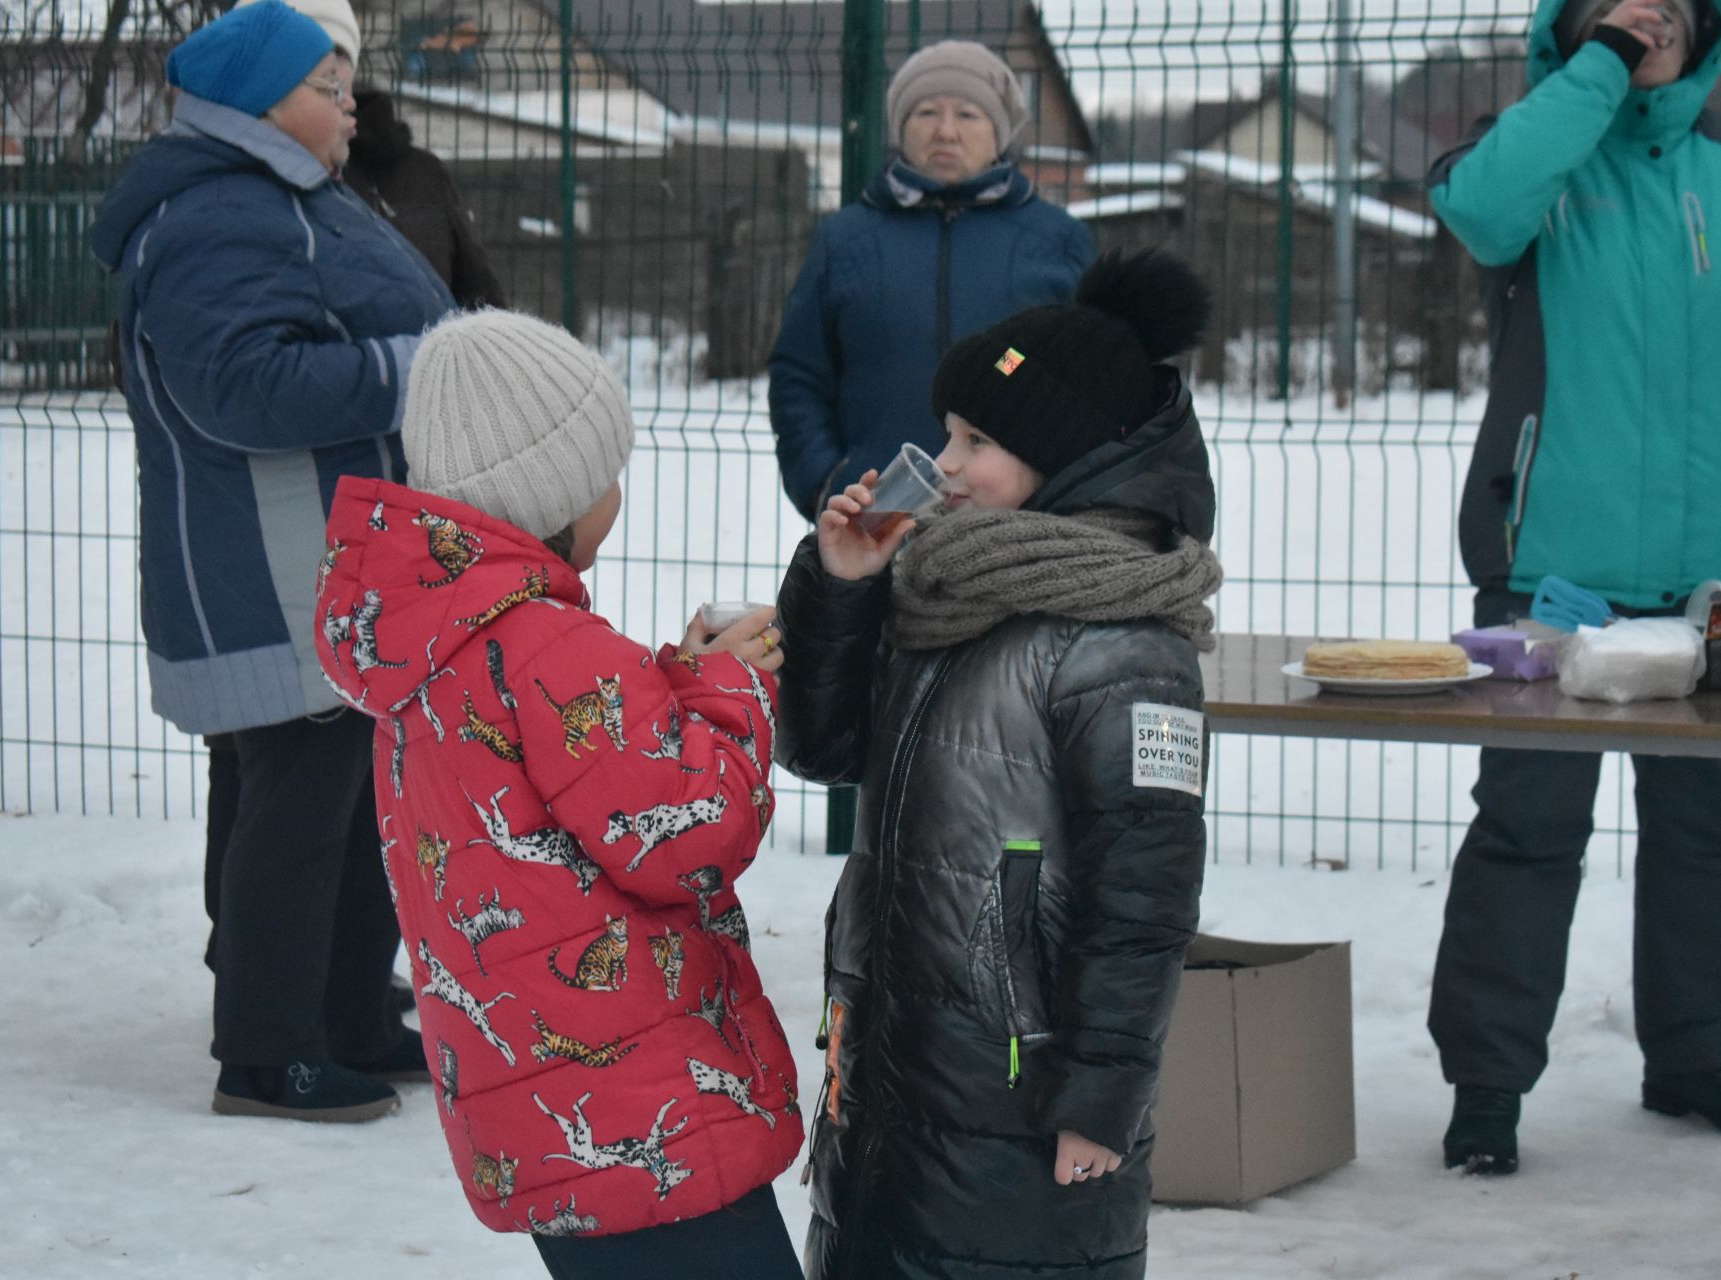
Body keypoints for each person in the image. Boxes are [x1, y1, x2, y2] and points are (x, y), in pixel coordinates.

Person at [313, 309, 804, 1273]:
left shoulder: (438, 644)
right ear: (561, 491)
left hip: (535, 1108)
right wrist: (731, 691)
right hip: (648, 1120)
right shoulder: (554, 646)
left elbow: (570, 779)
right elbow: (691, 833)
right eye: (608, 469)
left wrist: (664, 687)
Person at [775, 248, 1220, 1280]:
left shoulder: (1127, 645)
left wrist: (1103, 1099)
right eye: (947, 433)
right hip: (892, 1063)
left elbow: (1144, 901)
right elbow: (823, 747)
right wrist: (843, 589)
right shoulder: (943, 587)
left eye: (979, 439)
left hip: (1022, 1095)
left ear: (1067, 457)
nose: (945, 461)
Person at [1425, 0, 1721, 1175]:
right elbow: (1481, 209)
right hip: (1554, 567)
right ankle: (1487, 1083)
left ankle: (1696, 1053)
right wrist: (1597, 68)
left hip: (1719, 577)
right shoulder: (1526, 147)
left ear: (1707, 24)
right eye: (1609, 1)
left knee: (1708, 832)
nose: (1642, 14)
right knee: (1528, 830)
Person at [89, 0, 457, 1122]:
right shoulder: (221, 215)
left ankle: (341, 1008)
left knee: (344, 801)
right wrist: (422, 367)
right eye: (325, 84)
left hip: (335, 558)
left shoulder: (281, 196)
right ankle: (266, 1049)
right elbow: (240, 387)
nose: (349, 102)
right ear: (256, 102)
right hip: (280, 560)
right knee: (298, 809)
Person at [767, 39, 1095, 519]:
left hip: (1021, 523)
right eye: (925, 113)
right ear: (901, 128)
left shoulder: (1058, 239)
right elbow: (799, 375)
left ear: (998, 133)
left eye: (967, 114)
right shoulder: (845, 240)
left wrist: (1061, 485)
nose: (946, 131)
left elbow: (1090, 374)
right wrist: (826, 480)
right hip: (877, 513)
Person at [345, 88, 507, 309]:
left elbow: (476, 281)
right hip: (435, 331)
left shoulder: (324, 178)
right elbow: (478, 282)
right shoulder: (426, 170)